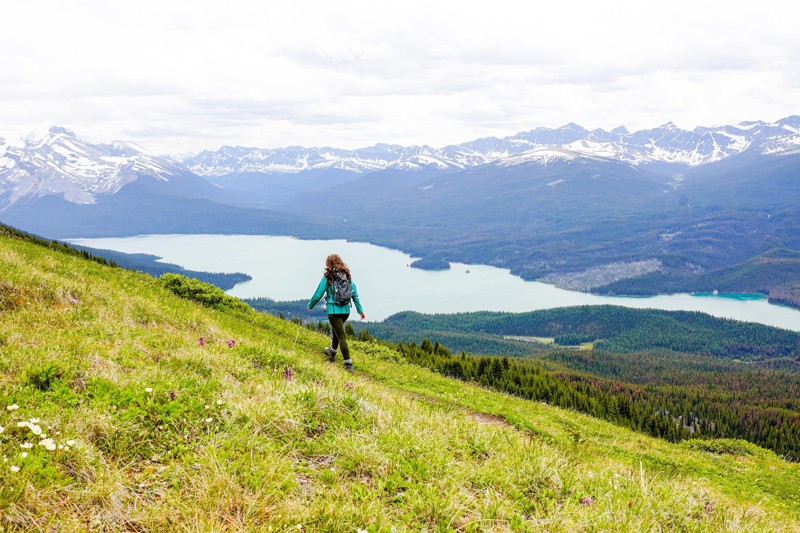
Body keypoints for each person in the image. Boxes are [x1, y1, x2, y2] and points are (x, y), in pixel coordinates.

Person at [307, 254, 365, 372]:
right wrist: (360, 310)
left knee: (341, 336)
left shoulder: (328, 277)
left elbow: (318, 294)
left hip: (334, 311)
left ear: (328, 264)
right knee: (337, 331)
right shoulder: (347, 276)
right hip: (346, 311)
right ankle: (332, 353)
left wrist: (310, 305)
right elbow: (354, 294)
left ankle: (348, 364)